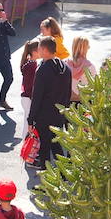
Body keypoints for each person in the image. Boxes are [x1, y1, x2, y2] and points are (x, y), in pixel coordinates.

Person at [27, 36, 72, 170]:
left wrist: (31, 119)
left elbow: (37, 97)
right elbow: (68, 93)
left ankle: (46, 182)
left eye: (40, 47)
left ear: (45, 50)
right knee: (56, 145)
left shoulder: (43, 70)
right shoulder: (65, 67)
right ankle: (64, 174)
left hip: (44, 116)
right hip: (59, 115)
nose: (38, 50)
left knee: (45, 149)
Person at [66, 35, 97, 103]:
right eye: (88, 46)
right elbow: (95, 86)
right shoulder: (90, 66)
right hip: (85, 103)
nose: (89, 47)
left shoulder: (65, 64)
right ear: (85, 48)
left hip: (68, 102)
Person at [19, 39, 39, 139]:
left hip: (26, 97)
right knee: (28, 123)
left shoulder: (30, 63)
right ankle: (26, 145)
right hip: (28, 98)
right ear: (35, 52)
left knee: (28, 122)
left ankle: (26, 143)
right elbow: (29, 85)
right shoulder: (32, 65)